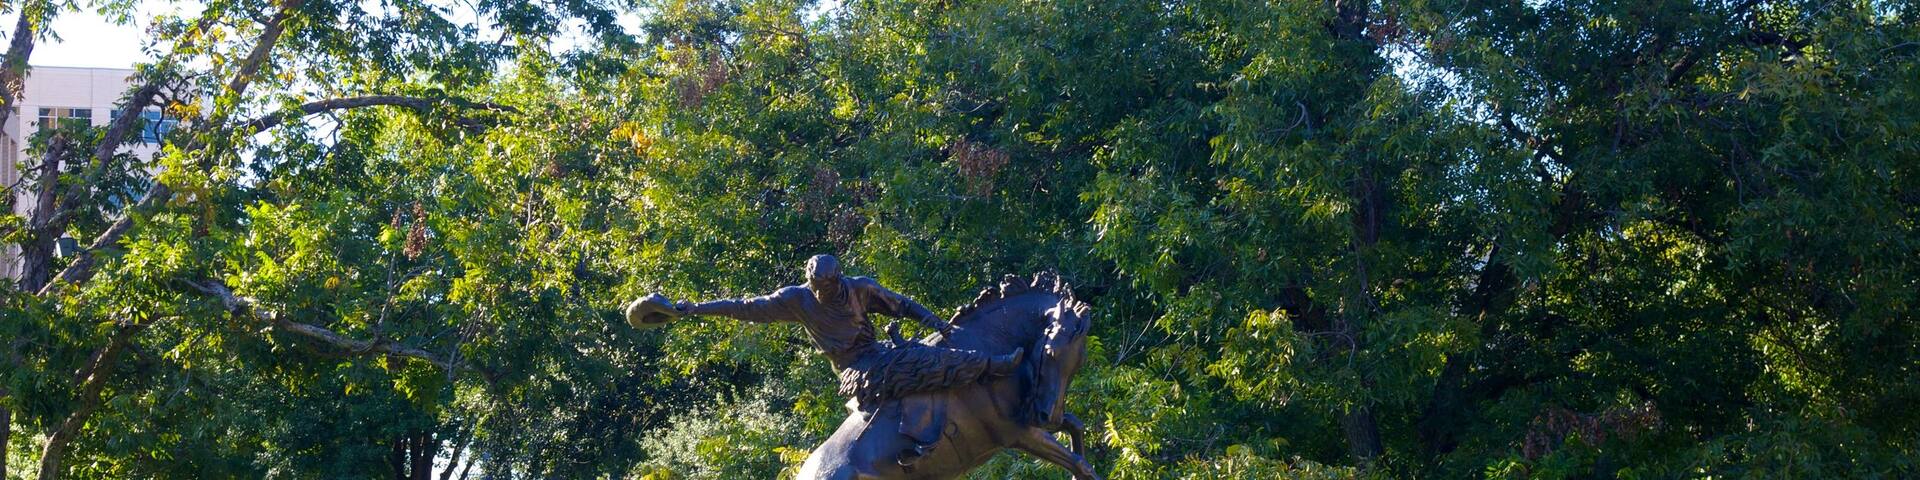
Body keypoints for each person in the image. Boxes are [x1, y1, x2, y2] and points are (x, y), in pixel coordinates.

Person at [631, 254, 1021, 465]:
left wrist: (938, 322)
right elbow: (744, 307)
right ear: (811, 284)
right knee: (919, 364)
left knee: (930, 348)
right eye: (819, 288)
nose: (825, 294)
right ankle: (992, 367)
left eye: (831, 287)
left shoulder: (861, 290)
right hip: (858, 372)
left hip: (880, 355)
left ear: (840, 280)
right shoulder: (796, 300)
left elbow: (902, 307)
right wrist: (691, 308)